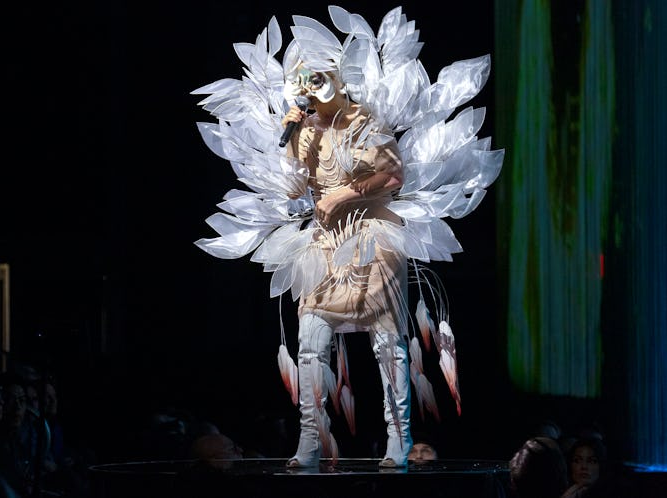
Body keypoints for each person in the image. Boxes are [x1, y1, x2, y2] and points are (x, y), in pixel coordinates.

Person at [193, 5, 503, 470]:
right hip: (322, 248)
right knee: (311, 342)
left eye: (318, 81)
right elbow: (300, 183)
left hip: (371, 241)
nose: (311, 91)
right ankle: (310, 443)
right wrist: (290, 140)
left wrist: (345, 194)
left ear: (338, 80)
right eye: (304, 84)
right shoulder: (307, 132)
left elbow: (393, 176)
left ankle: (399, 441)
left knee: (386, 344)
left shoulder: (365, 124)